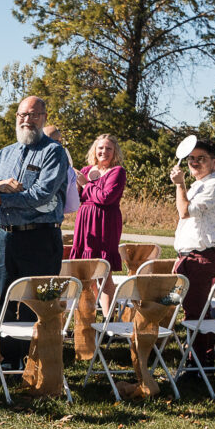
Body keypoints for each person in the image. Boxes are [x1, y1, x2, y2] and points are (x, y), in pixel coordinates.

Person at [0, 96, 69, 367]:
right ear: (16, 118)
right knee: (7, 297)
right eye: (22, 115)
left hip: (40, 237)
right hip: (7, 235)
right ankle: (10, 358)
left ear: (44, 117)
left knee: (36, 299)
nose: (26, 120)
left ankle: (35, 361)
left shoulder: (53, 152)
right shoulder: (5, 153)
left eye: (33, 115)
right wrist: (0, 185)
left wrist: (2, 200)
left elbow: (42, 194)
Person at [171, 139, 215, 367]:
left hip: (201, 256)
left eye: (201, 158)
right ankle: (204, 357)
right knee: (197, 311)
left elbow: (184, 211)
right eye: (191, 159)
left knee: (194, 314)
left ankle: (196, 364)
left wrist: (179, 184)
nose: (194, 162)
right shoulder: (199, 184)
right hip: (189, 256)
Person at [69, 134, 127, 315]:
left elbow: (106, 197)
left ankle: (108, 316)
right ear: (94, 150)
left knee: (103, 271)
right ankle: (89, 312)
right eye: (101, 148)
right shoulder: (86, 170)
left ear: (115, 152)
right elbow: (75, 199)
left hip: (105, 222)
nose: (104, 152)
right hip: (85, 221)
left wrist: (86, 185)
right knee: (86, 270)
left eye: (109, 149)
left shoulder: (117, 171)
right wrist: (75, 185)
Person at [43, 125, 81, 218]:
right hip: (51, 223)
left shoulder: (24, 162)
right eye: (57, 141)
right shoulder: (68, 170)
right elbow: (73, 206)